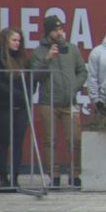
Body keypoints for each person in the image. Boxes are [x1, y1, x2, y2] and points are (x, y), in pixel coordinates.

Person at [32, 13, 87, 187]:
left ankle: (75, 174)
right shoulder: (39, 52)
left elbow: (82, 71)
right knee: (50, 140)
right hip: (48, 102)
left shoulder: (72, 49)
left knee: (75, 140)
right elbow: (35, 76)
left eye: (61, 29)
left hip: (69, 102)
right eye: (55, 30)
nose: (59, 33)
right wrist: (47, 59)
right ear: (48, 32)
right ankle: (53, 175)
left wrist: (74, 87)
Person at [0, 27, 34, 188]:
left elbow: (29, 81)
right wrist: (18, 95)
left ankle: (15, 177)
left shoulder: (23, 59)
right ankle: (3, 178)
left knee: (18, 142)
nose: (17, 43)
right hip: (3, 107)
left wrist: (27, 96)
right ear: (6, 41)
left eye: (19, 40)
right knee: (3, 141)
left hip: (21, 107)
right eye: (14, 40)